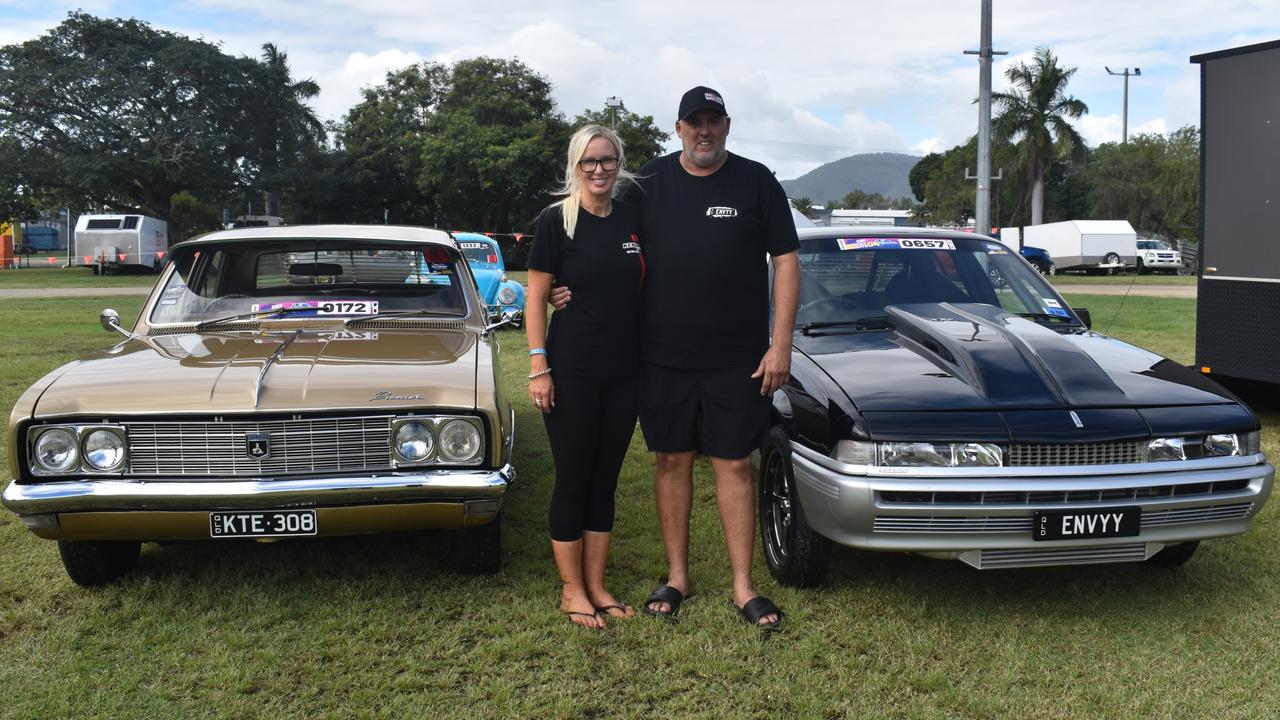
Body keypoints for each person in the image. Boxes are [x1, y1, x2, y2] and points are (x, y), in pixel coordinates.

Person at [554, 86, 801, 630]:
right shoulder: (649, 183)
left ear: (727, 125)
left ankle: (743, 586)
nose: (704, 131)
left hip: (739, 359)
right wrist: (559, 285)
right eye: (695, 122)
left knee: (735, 465)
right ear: (679, 127)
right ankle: (677, 576)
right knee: (672, 461)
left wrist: (780, 343)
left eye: (713, 121)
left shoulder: (757, 181)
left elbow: (785, 261)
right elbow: (599, 232)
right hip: (660, 357)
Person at [525, 125, 645, 629]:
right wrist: (539, 366)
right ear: (575, 166)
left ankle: (597, 584)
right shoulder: (556, 222)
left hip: (625, 372)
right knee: (574, 478)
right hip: (571, 369)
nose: (599, 170)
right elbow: (535, 297)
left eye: (608, 160)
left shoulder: (634, 220)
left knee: (605, 480)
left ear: (620, 164)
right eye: (588, 162)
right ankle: (572, 590)